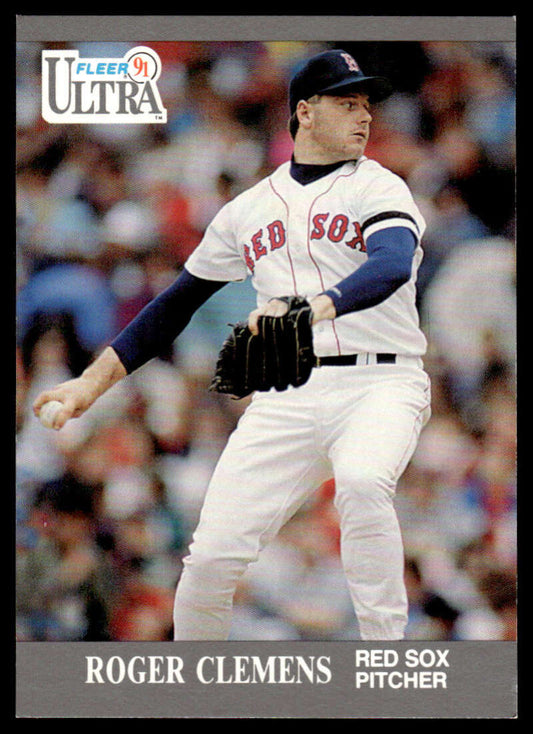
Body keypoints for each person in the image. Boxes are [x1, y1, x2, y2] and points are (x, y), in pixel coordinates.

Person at [33, 49, 432, 641]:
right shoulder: (247, 211)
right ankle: (199, 690)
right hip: (290, 392)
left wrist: (313, 308)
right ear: (305, 112)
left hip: (383, 382)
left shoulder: (378, 186)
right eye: (347, 102)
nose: (364, 116)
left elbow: (392, 263)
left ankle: (386, 656)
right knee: (211, 559)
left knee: (361, 480)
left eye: (367, 104)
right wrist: (92, 382)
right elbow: (172, 305)